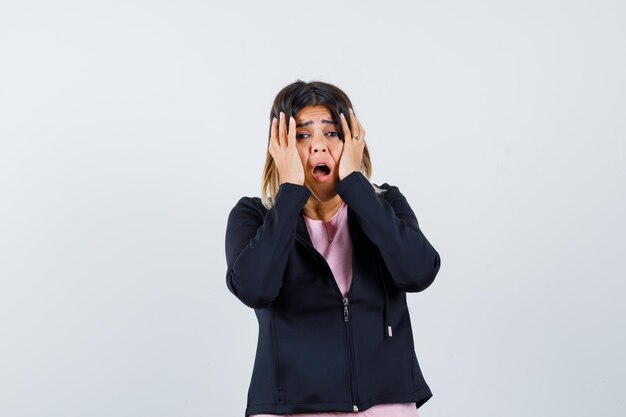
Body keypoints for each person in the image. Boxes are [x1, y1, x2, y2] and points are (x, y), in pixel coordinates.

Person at [224, 80, 441, 417]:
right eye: (302, 135)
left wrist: (356, 185)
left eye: (332, 133)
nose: (318, 147)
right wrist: (291, 192)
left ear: (353, 142)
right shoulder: (254, 216)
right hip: (290, 408)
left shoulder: (385, 204)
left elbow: (419, 273)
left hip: (386, 404)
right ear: (279, 147)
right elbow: (255, 289)